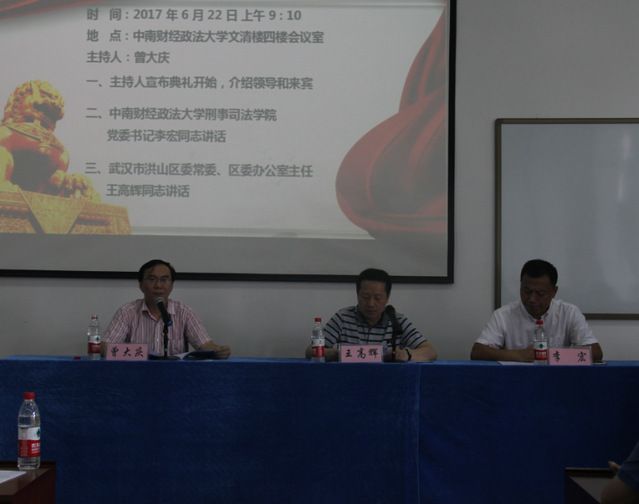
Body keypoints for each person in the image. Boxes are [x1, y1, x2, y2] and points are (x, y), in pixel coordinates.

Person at [471, 259, 603, 362]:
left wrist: (550, 355)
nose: (532, 299)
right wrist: (518, 355)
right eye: (527, 291)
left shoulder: (569, 312)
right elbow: (477, 352)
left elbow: (596, 353)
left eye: (540, 293)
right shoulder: (503, 315)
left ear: (554, 291)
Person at [102, 259, 230, 358]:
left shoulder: (184, 312)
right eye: (152, 279)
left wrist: (218, 350)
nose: (158, 285)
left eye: (164, 280)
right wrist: (140, 353)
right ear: (141, 285)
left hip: (175, 377)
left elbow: (204, 344)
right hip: (136, 374)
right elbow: (104, 348)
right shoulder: (127, 312)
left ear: (172, 285)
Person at [306, 268, 437, 362]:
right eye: (365, 297)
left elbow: (430, 352)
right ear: (357, 295)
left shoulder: (397, 321)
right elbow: (310, 351)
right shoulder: (343, 318)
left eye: (378, 298)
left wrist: (406, 355)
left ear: (387, 298)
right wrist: (337, 354)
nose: (371, 303)